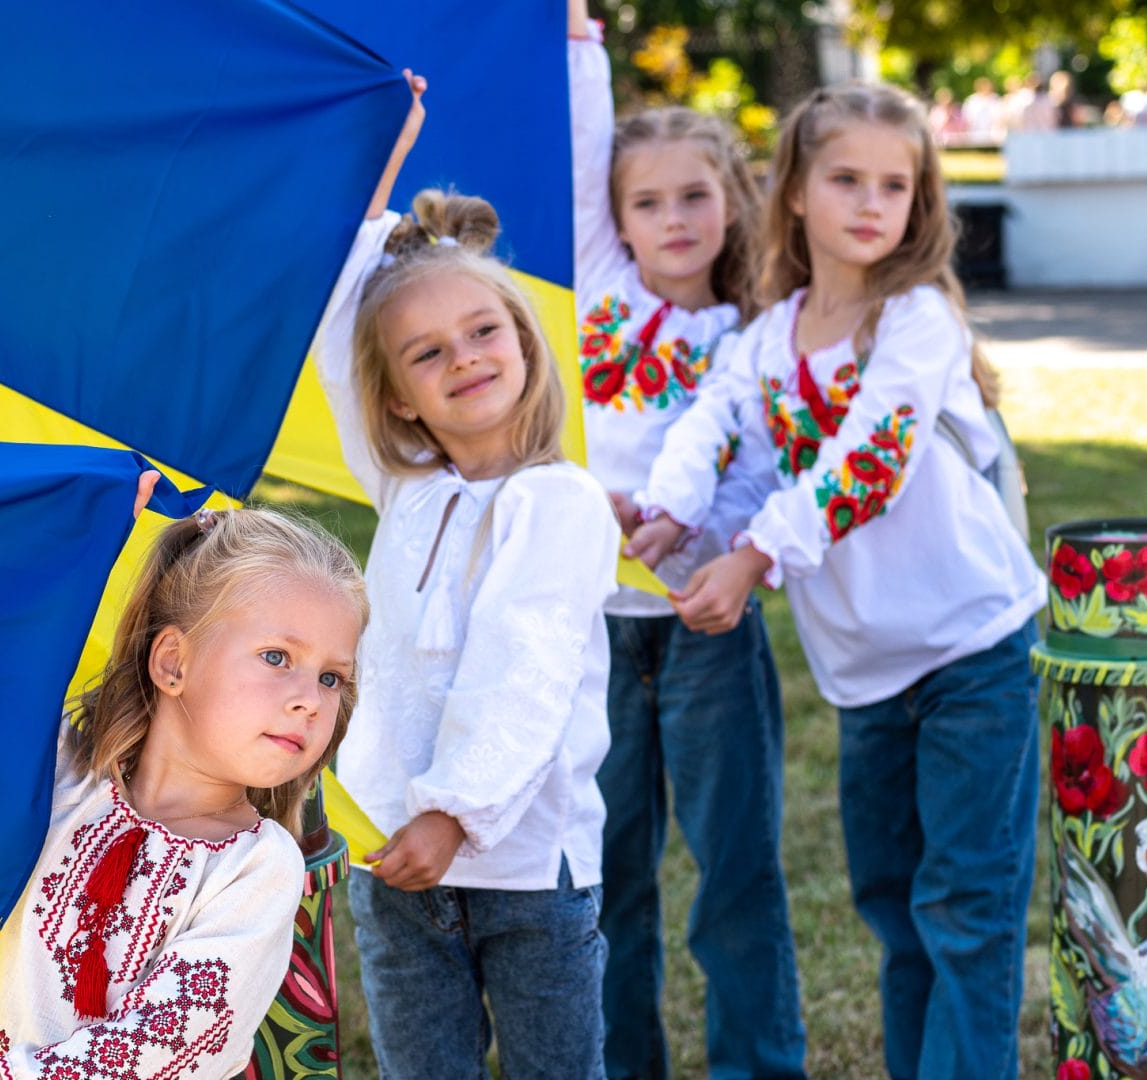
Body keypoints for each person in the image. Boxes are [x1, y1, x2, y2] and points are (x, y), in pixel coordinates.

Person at [631, 82, 1045, 1079]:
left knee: (966, 914)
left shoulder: (916, 323)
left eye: (894, 184)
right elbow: (710, 426)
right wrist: (675, 507)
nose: (871, 202)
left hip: (973, 655)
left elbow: (870, 459)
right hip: (864, 679)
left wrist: (753, 556)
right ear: (795, 196)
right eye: (846, 178)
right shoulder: (764, 342)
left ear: (918, 202)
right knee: (898, 915)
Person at [315, 73, 620, 1080]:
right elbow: (336, 330)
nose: (464, 359)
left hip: (530, 874)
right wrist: (376, 173)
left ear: (524, 341)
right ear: (396, 402)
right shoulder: (408, 492)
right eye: (427, 354)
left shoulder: (560, 501)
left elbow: (521, 670)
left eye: (484, 331)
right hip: (397, 868)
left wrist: (457, 812)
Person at [0, 500, 369, 1080]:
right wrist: (65, 537)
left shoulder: (256, 868)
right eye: (277, 657)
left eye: (332, 677)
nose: (311, 697)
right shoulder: (61, 777)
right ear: (174, 662)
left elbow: (174, 1039)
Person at [565, 4, 807, 1078]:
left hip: (709, 629)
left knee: (735, 870)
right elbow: (578, 155)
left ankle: (761, 1062)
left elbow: (767, 475)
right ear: (617, 217)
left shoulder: (761, 333)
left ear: (732, 201)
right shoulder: (598, 291)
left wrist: (726, 546)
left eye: (694, 196)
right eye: (646, 201)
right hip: (594, 633)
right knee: (608, 875)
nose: (672, 218)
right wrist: (579, 41)